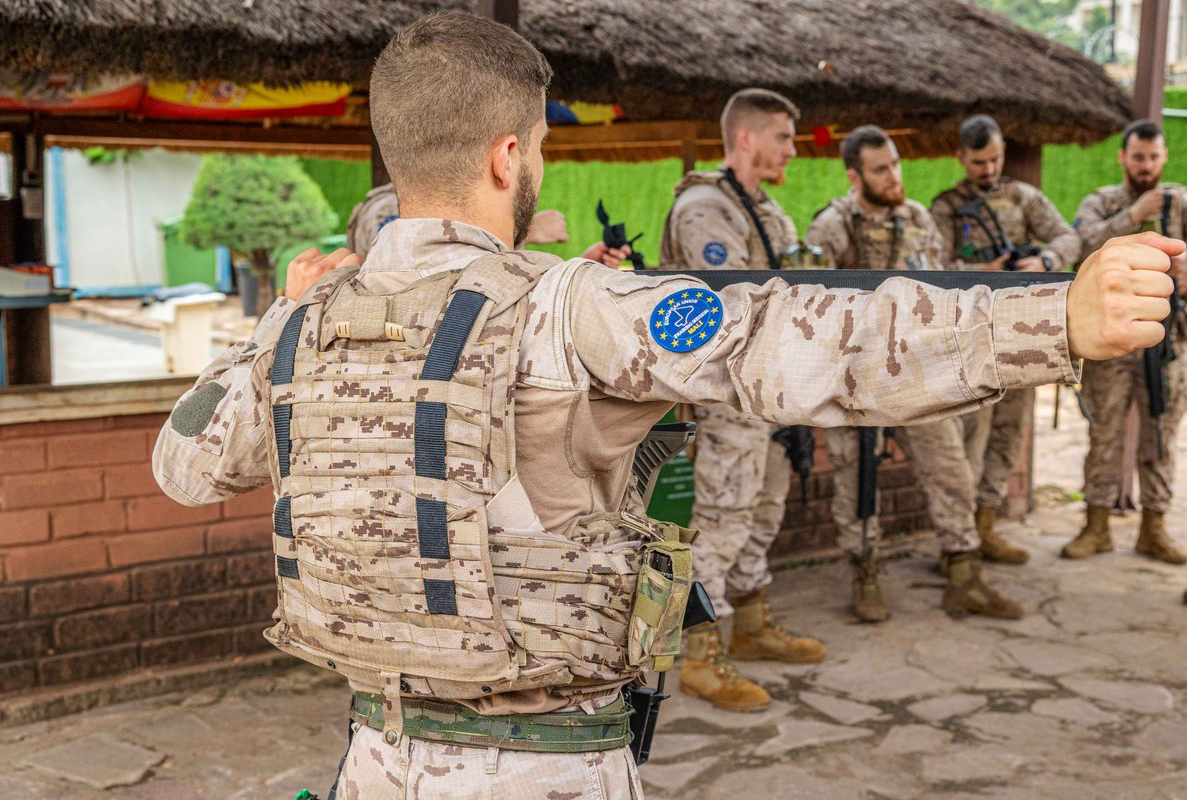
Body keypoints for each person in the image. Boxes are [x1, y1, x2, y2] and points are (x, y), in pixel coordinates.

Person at [151, 11, 1179, 798]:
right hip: (545, 768)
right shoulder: (567, 308)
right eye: (536, 149)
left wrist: (271, 323)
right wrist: (1056, 318)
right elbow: (796, 337)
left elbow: (184, 465)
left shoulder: (300, 325)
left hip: (374, 759)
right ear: (509, 155)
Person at [807, 125, 1022, 622]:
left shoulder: (919, 218)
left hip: (917, 373)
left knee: (951, 469)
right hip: (856, 379)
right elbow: (815, 307)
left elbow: (941, 283)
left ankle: (963, 573)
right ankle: (865, 572)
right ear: (854, 176)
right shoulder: (831, 226)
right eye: (880, 169)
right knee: (856, 480)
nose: (894, 176)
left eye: (895, 164)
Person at [659, 88, 827, 712]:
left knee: (764, 510)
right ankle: (701, 656)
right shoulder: (705, 208)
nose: (792, 150)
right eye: (783, 137)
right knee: (723, 519)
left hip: (773, 392)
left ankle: (752, 625)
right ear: (747, 138)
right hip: (728, 394)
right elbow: (733, 304)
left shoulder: (766, 210)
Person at [931, 115, 1082, 564]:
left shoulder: (1022, 197)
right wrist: (982, 272)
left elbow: (1068, 236)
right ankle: (960, 540)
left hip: (1020, 335)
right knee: (971, 439)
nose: (989, 169)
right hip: (970, 340)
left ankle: (985, 527)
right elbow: (932, 268)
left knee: (1008, 434)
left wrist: (1046, 261)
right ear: (961, 158)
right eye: (979, 162)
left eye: (995, 159)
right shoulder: (946, 207)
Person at [1061, 119, 1187, 565]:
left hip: (1167, 343)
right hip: (1111, 342)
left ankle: (1153, 528)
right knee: (1104, 433)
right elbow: (1079, 246)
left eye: (1152, 157)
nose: (1145, 166)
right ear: (1123, 157)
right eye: (1138, 157)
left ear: (1164, 157)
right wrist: (1132, 217)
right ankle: (1095, 527)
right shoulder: (1102, 202)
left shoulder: (1180, 203)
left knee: (1161, 436)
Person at [347, 171, 626, 265]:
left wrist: (579, 268)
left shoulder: (456, 205)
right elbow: (417, 273)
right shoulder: (385, 209)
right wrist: (519, 231)